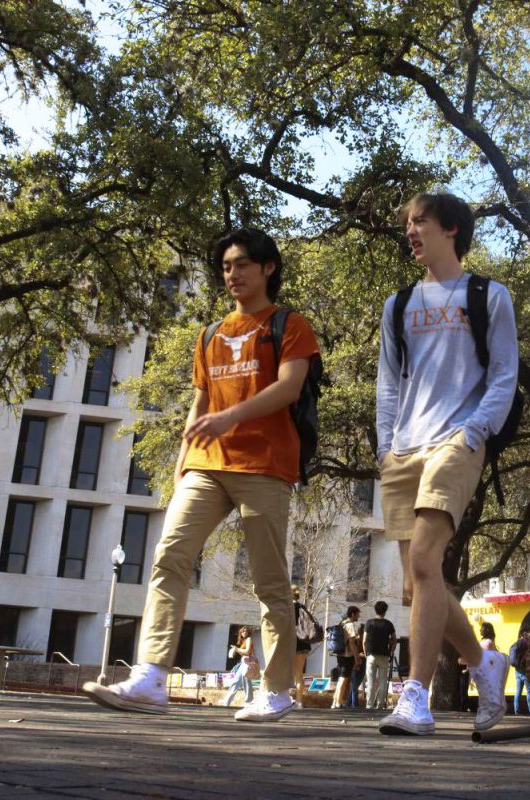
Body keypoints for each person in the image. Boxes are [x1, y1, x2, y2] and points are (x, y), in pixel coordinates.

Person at [82, 228, 318, 722]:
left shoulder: (289, 324)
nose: (232, 274)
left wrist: (234, 417)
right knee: (169, 555)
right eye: (226, 266)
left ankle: (276, 690)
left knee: (270, 582)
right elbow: (201, 403)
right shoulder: (210, 334)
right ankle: (150, 676)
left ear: (267, 268)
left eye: (242, 265)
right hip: (207, 466)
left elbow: (290, 388)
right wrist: (182, 462)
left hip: (266, 466)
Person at [374, 192, 519, 736]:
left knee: (427, 558)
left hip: (458, 439)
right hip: (405, 447)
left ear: (452, 229)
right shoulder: (398, 303)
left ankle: (416, 697)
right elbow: (389, 381)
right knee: (419, 583)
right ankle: (485, 664)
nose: (411, 231)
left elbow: (505, 373)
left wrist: (476, 430)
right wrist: (385, 444)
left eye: (421, 222)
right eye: (408, 224)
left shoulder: (489, 296)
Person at [363, 601, 397, 710]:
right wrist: (391, 652)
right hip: (384, 655)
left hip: (371, 655)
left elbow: (364, 640)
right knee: (383, 681)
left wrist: (365, 653)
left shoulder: (369, 623)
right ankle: (380, 704)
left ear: (375, 610)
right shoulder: (388, 624)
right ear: (385, 611)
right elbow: (394, 640)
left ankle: (369, 705)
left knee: (371, 682)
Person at [331, 607, 362, 709]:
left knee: (341, 678)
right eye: (357, 614)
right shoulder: (350, 625)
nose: (358, 616)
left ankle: (335, 701)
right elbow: (352, 643)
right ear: (352, 614)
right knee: (343, 679)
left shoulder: (342, 623)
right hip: (347, 656)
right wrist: (357, 657)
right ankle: (338, 703)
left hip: (339, 655)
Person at [221, 626, 257, 707]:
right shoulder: (244, 640)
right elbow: (244, 653)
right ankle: (227, 701)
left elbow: (247, 652)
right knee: (236, 681)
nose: (244, 633)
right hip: (243, 662)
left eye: (246, 631)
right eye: (243, 631)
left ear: (248, 633)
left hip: (247, 662)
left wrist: (237, 649)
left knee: (246, 682)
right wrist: (236, 650)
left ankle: (249, 702)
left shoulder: (249, 639)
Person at [292, 585, 316, 706]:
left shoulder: (289, 607)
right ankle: (299, 701)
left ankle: (284, 700)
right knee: (299, 673)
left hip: (292, 643)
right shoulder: (303, 607)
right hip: (304, 644)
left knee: (286, 673)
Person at [508, 629, 530, 715]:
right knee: (529, 691)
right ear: (524, 634)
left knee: (518, 692)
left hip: (517, 670)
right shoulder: (525, 643)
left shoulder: (516, 643)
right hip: (524, 670)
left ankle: (517, 711)